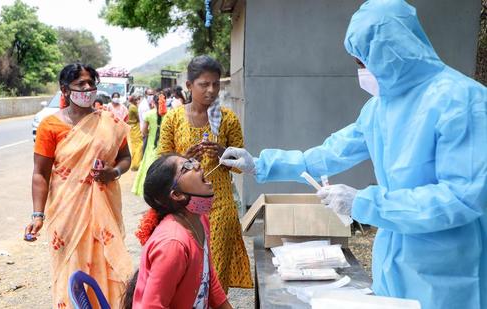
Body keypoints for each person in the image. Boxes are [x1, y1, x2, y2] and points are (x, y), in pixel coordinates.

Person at [220, 1, 487, 308]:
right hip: (394, 258)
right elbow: (331, 153)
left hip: (448, 270)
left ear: (394, 52)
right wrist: (261, 164)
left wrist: (364, 202)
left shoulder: (463, 101)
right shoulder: (379, 108)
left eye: (364, 63)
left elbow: (462, 198)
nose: (361, 71)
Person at [25, 63, 133, 308]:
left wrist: (113, 172)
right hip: (66, 213)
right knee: (70, 269)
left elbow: (126, 158)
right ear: (65, 90)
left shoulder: (110, 122)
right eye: (80, 84)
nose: (87, 88)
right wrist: (37, 214)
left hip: (102, 210)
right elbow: (40, 174)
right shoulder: (50, 126)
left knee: (104, 264)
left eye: (91, 83)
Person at [158, 55, 253, 292]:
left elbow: (242, 164)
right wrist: (183, 160)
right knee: (186, 268)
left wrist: (224, 154)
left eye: (215, 84)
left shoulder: (228, 119)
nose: (211, 90)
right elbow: (161, 162)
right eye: (204, 84)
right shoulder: (173, 118)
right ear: (189, 86)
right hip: (184, 207)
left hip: (220, 206)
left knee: (215, 274)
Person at [131, 154, 233, 309]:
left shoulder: (201, 220)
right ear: (177, 195)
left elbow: (208, 278)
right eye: (186, 167)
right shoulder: (173, 244)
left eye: (191, 161)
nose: (197, 165)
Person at [132, 94, 161, 197]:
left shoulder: (149, 114)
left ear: (153, 103)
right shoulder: (170, 114)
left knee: (148, 167)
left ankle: (148, 191)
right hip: (165, 147)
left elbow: (143, 132)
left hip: (151, 146)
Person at [127, 95, 143, 171]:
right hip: (135, 127)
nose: (137, 101)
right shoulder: (133, 107)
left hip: (132, 127)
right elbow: (139, 117)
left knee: (134, 146)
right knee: (138, 145)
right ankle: (136, 164)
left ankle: (134, 164)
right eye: (136, 99)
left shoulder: (131, 106)